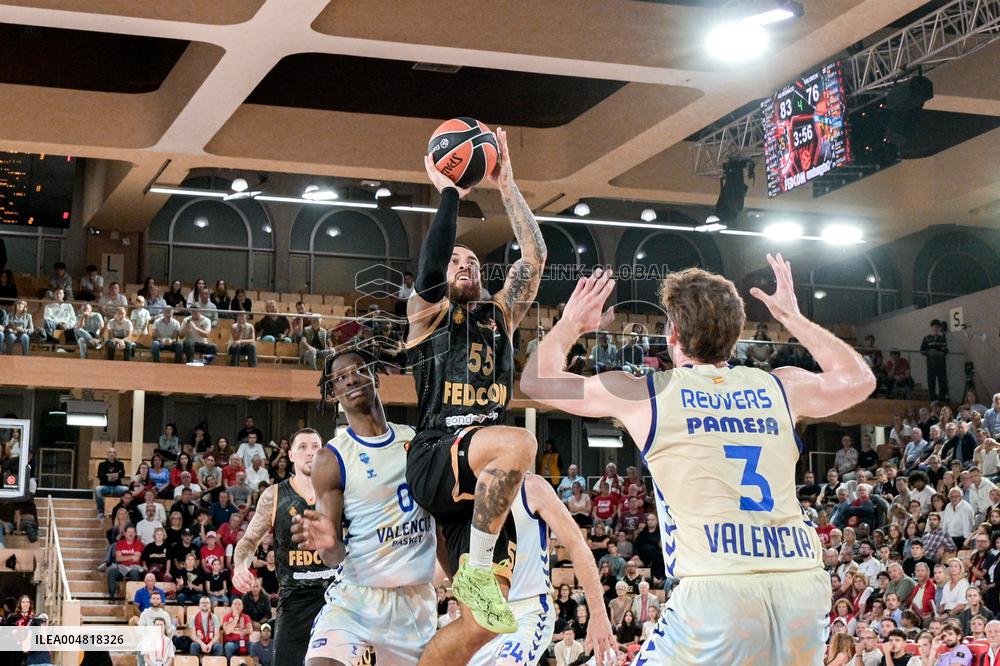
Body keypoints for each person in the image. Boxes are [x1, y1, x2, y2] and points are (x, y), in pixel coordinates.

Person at [520, 255, 876, 664]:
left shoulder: (647, 393)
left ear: (673, 333)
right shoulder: (781, 386)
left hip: (717, 587)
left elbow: (536, 381)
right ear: (736, 333)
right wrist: (792, 317)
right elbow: (859, 379)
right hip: (802, 585)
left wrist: (571, 324)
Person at [403, 130, 546, 656]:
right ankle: (480, 570)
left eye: (473, 262)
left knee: (486, 622)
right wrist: (449, 194)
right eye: (454, 260)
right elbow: (430, 265)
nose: (463, 264)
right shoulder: (426, 317)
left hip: (481, 491)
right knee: (520, 445)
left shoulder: (500, 315)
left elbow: (534, 256)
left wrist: (508, 186)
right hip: (438, 453)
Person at [291, 349, 439, 665]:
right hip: (357, 596)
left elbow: (441, 518)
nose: (351, 379)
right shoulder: (331, 458)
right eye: (340, 378)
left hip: (414, 604)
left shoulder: (414, 440)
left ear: (375, 376)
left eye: (358, 370)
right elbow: (333, 556)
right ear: (332, 394)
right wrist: (328, 543)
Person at [468, 473, 616, 666]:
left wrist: (598, 614)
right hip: (484, 614)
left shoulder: (531, 487)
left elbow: (577, 545)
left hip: (529, 610)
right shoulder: (466, 489)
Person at [231, 428, 337, 666]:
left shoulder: (338, 492)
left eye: (315, 447)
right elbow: (248, 542)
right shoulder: (274, 495)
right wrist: (240, 567)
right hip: (294, 599)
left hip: (336, 598)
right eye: (302, 447)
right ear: (290, 455)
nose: (310, 452)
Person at [95, 447, 128, 519]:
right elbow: (100, 476)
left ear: (116, 454)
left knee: (126, 489)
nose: (112, 454)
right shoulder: (102, 464)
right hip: (105, 487)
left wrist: (108, 476)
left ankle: (124, 509)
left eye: (113, 452)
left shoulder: (120, 464)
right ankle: (101, 511)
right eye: (110, 452)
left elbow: (122, 475)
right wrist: (115, 475)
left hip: (117, 487)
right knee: (97, 489)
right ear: (107, 454)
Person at [920, 319, 949, 402]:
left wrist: (938, 353)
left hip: (941, 365)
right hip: (931, 365)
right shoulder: (926, 338)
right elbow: (922, 350)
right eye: (934, 327)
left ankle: (942, 401)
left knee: (942, 383)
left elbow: (946, 351)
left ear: (939, 328)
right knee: (931, 384)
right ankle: (933, 401)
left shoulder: (942, 339)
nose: (935, 329)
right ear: (931, 328)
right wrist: (929, 352)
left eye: (937, 327)